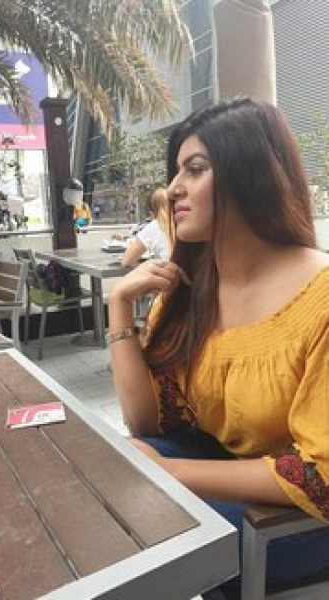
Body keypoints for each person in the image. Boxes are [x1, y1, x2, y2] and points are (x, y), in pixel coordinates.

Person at [108, 99, 329, 597]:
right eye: (176, 172)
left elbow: (321, 478)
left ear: (251, 174)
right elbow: (146, 423)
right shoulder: (192, 288)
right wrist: (118, 307)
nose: (173, 189)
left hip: (294, 521)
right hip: (222, 472)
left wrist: (169, 471)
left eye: (195, 169)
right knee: (110, 472)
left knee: (136, 507)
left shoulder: (320, 298)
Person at [121, 188, 171, 266]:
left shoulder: (155, 226)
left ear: (151, 213)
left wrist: (151, 263)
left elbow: (126, 262)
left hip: (171, 273)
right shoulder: (184, 222)